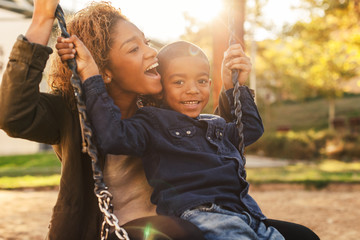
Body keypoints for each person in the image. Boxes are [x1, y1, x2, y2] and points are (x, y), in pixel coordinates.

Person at [0, 0, 264, 239]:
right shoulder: (71, 113)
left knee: (297, 234)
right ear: (103, 70)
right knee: (180, 231)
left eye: (146, 42)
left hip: (176, 223)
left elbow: (212, 141)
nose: (152, 53)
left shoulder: (158, 108)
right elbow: (13, 114)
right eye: (134, 49)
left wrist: (232, 88)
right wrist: (42, 20)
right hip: (114, 232)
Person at [64, 35, 282, 239]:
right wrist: (92, 79)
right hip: (201, 215)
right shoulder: (152, 122)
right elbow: (113, 136)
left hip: (246, 213)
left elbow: (250, 129)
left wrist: (234, 86)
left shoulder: (214, 124)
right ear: (160, 90)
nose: (193, 90)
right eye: (179, 82)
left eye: (202, 81)